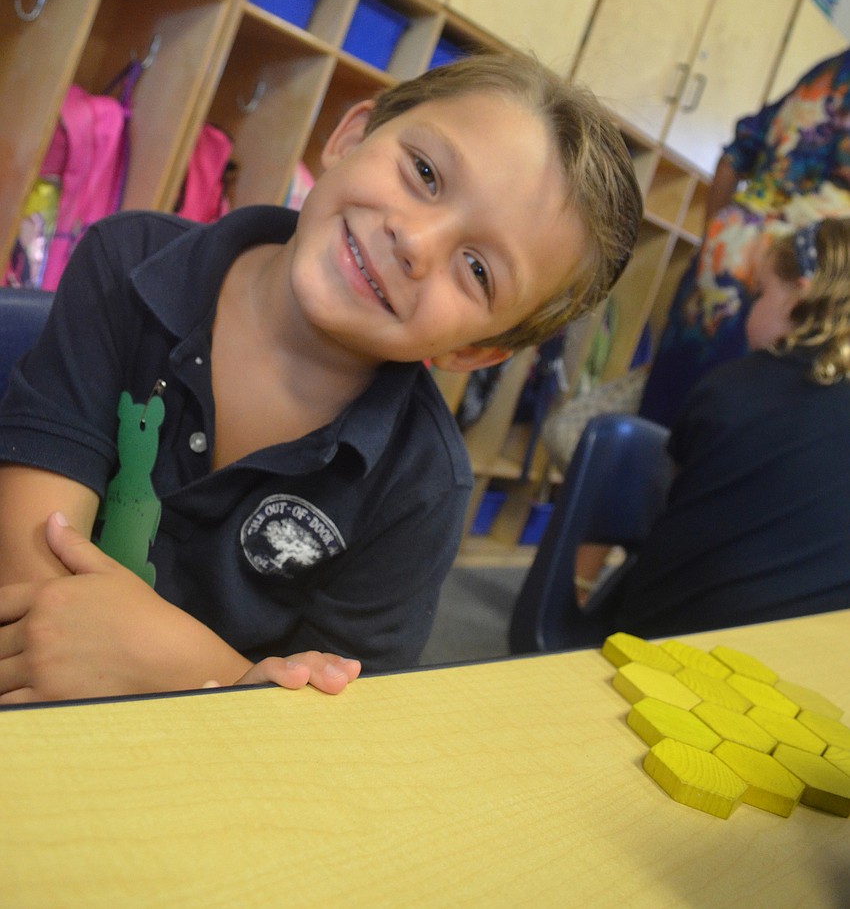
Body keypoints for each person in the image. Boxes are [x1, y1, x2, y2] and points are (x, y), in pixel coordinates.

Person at [0, 49, 642, 703]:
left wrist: (188, 667)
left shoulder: (422, 487)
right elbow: (32, 577)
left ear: (474, 352)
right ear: (351, 135)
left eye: (478, 269)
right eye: (424, 171)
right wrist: (237, 676)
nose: (416, 242)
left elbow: (325, 723)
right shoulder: (126, 262)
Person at [614, 217, 850, 638]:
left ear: (801, 296)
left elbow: (672, 498)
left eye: (759, 294)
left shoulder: (730, 386)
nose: (748, 309)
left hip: (662, 635)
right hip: (804, 659)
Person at [639, 47, 850, 428]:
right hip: (797, 286)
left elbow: (733, 157)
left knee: (666, 413)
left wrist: (715, 239)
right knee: (732, 427)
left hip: (726, 256)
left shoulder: (827, 71)